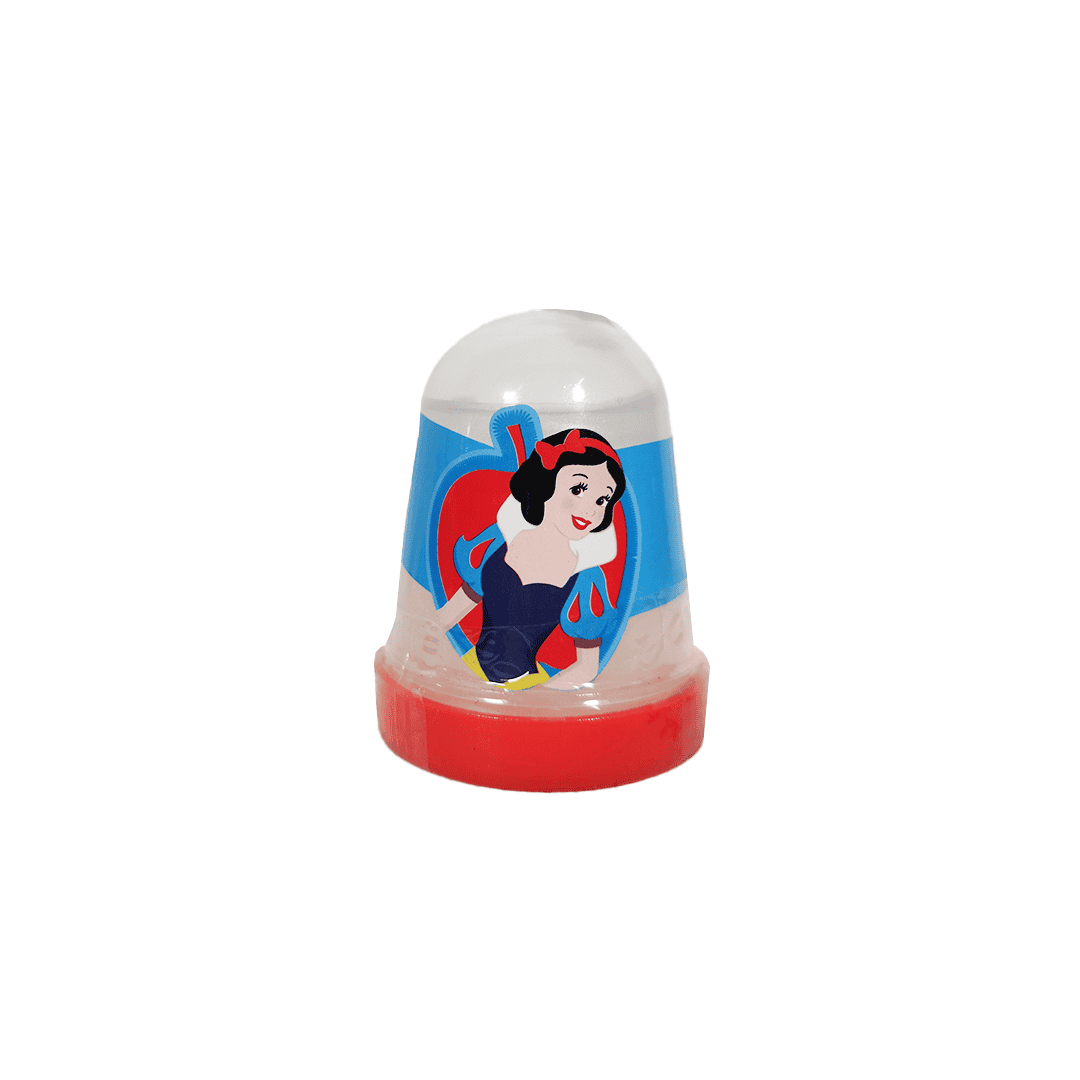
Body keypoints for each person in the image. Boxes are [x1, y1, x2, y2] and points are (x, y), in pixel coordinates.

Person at [435, 428, 626, 690]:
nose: (591, 510)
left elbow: (587, 668)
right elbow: (447, 617)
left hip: (530, 683)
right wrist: (431, 659)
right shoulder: (496, 543)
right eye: (578, 489)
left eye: (602, 499)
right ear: (545, 483)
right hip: (468, 667)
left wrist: (535, 699)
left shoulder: (586, 578)